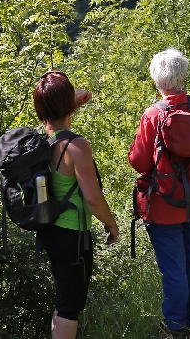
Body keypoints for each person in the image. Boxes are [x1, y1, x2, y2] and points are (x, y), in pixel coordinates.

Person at [129, 49, 190, 339]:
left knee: (174, 267)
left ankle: (176, 327)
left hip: (164, 204)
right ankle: (187, 320)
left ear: (157, 80)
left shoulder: (153, 114)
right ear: (183, 76)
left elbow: (140, 162)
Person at [34, 70, 119, 339]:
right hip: (72, 234)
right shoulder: (76, 146)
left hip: (48, 228)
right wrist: (112, 224)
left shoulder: (38, 140)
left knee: (63, 300)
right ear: (68, 105)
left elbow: (55, 115)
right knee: (70, 306)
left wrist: (74, 101)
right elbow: (92, 198)